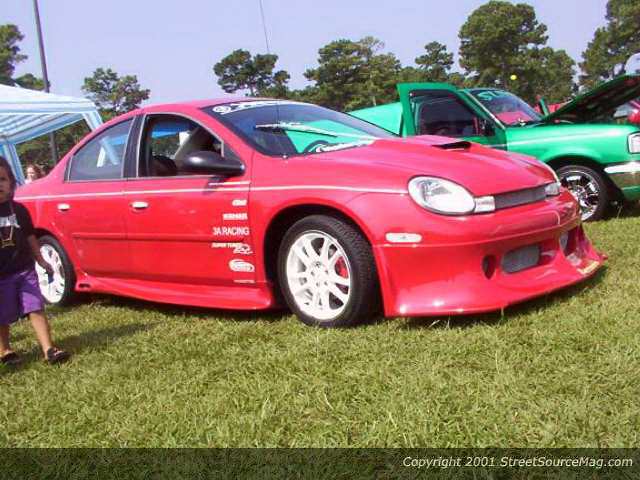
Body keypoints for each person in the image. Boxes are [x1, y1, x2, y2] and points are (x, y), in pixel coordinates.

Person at [0, 156, 70, 365]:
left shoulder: (19, 210)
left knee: (35, 306)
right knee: (2, 314)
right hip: (1, 276)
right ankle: (5, 349)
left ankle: (49, 349)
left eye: (2, 179)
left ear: (11, 182)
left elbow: (30, 237)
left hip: (24, 270)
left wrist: (41, 259)